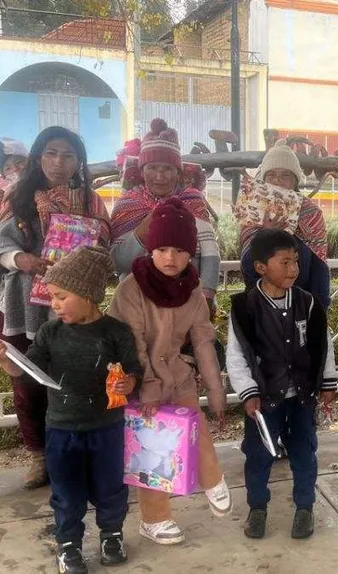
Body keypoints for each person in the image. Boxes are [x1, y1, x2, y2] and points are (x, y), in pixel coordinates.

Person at [0, 247, 141, 574]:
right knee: (67, 493)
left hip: (108, 428)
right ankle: (68, 544)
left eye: (61, 297)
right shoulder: (50, 333)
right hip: (61, 430)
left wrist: (129, 383)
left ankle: (111, 535)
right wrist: (5, 359)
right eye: (52, 297)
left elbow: (133, 371)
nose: (53, 305)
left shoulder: (116, 332)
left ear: (88, 295)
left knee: (111, 487)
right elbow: (28, 373)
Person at [0, 126, 112, 490]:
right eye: (51, 153)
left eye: (68, 155)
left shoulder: (91, 203)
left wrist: (90, 253)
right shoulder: (19, 197)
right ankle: (39, 456)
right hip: (24, 306)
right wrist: (22, 259)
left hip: (72, 308)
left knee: (77, 379)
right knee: (27, 383)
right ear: (38, 157)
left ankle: (73, 453)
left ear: (79, 161)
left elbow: (106, 244)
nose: (59, 162)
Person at [107, 198, 232, 546]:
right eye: (162, 249)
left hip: (177, 375)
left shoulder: (193, 290)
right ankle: (154, 519)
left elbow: (203, 340)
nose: (170, 258)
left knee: (196, 426)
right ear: (151, 249)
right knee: (152, 450)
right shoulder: (131, 288)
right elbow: (131, 344)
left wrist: (216, 391)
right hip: (139, 379)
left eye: (179, 250)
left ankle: (212, 478)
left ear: (191, 253)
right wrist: (146, 387)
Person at [226, 229, 338, 541]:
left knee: (305, 451)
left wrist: (328, 382)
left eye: (296, 261)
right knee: (259, 454)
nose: (293, 269)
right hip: (264, 400)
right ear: (261, 267)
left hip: (302, 395)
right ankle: (257, 508)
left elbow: (323, 343)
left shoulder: (309, 303)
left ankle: (305, 507)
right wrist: (247, 392)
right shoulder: (244, 307)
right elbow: (235, 355)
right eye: (284, 262)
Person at [111, 119, 220, 303]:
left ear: (178, 173)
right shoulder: (128, 204)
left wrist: (207, 296)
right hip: (137, 302)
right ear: (141, 171)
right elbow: (118, 263)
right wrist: (142, 232)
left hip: (187, 299)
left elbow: (210, 252)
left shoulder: (192, 201)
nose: (159, 176)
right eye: (152, 168)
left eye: (168, 169)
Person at [238, 140, 330, 309]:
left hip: (301, 306)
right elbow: (248, 268)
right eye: (271, 175)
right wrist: (266, 236)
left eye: (285, 175)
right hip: (261, 306)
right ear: (263, 180)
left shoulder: (311, 213)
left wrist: (319, 310)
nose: (277, 181)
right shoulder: (253, 211)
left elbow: (319, 268)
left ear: (295, 181)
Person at [0, 137, 29, 221]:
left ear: (30, 161)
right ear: (3, 175)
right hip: (10, 226)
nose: (15, 169)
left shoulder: (39, 179)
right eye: (8, 168)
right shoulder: (3, 188)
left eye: (19, 162)